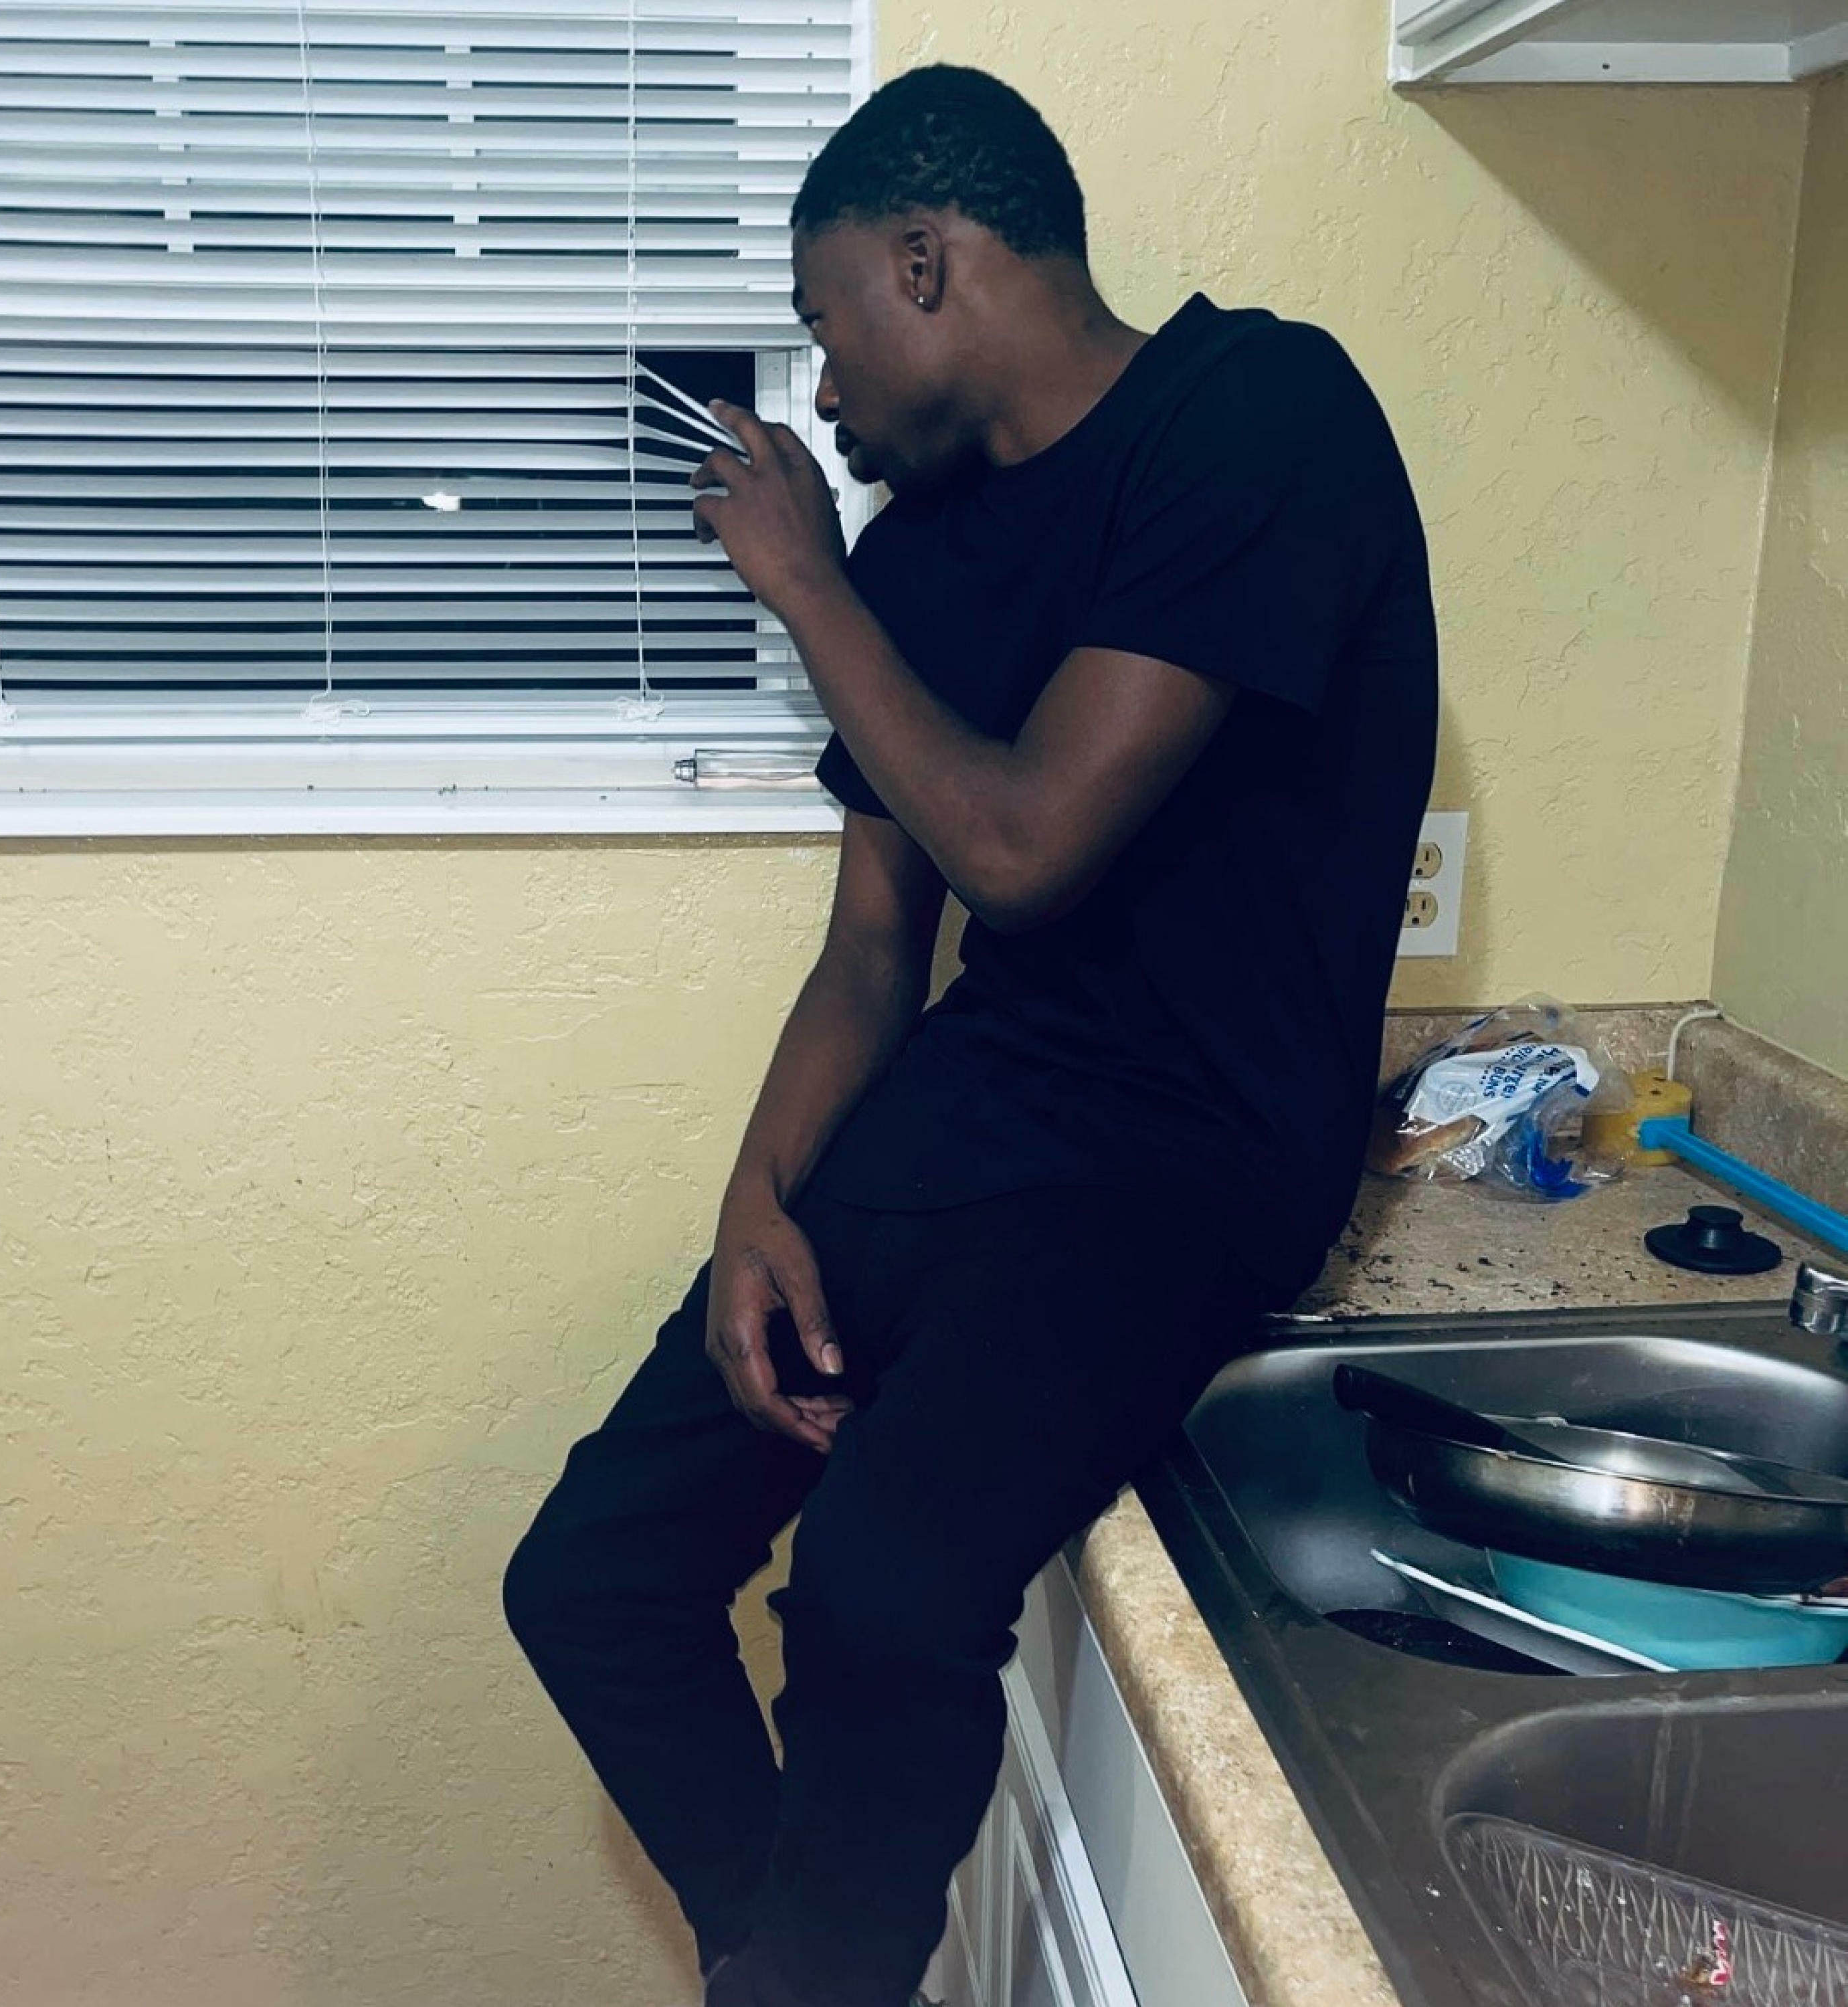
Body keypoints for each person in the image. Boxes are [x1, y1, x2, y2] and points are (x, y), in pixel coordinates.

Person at [502, 62, 1437, 2007]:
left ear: (926, 262)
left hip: (1195, 1163)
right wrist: (754, 1202)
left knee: (883, 1590)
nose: (823, 391)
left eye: (828, 321)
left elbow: (1020, 848)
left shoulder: (1260, 416)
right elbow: (875, 947)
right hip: (978, 1113)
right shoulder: (920, 552)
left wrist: (805, 586)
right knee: (591, 1574)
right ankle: (792, 1969)